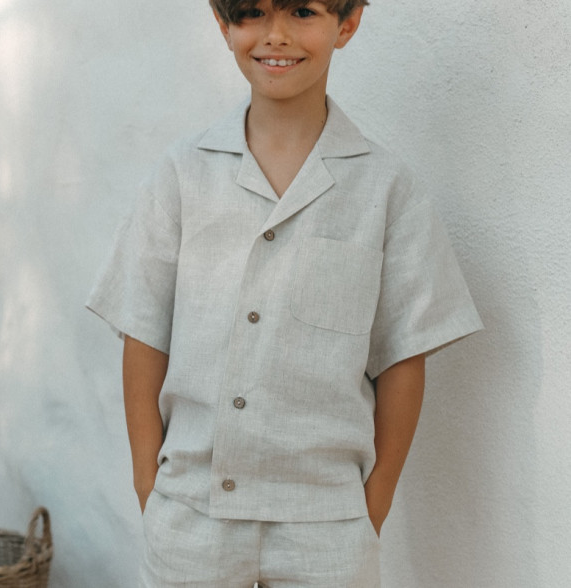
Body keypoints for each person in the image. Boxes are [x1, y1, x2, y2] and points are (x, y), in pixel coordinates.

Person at [87, 1, 483, 586]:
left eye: (302, 11)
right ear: (223, 24)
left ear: (347, 23)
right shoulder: (182, 175)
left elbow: (404, 355)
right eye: (251, 12)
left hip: (327, 528)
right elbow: (144, 333)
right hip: (191, 517)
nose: (276, 35)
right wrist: (152, 490)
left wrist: (372, 507)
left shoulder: (386, 189)